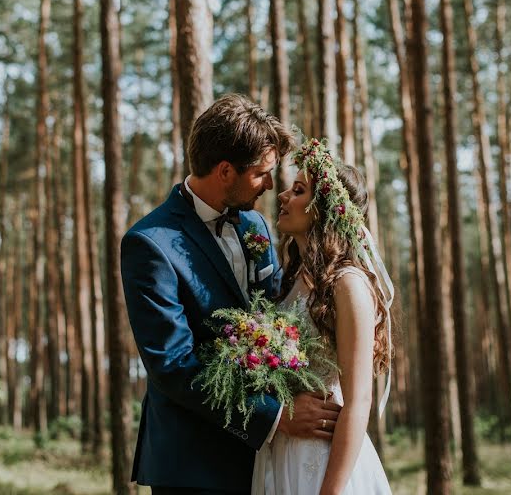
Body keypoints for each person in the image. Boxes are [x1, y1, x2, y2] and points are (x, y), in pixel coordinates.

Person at [121, 96, 342, 494]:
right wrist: (277, 417)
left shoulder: (254, 224)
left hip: (265, 462)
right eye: (262, 173)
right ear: (225, 170)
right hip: (193, 464)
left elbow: (275, 316)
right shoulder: (150, 245)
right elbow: (173, 365)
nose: (271, 185)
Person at [252, 136, 394, 495]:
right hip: (281, 451)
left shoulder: (349, 285)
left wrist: (330, 491)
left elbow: (359, 399)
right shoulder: (291, 281)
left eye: (298, 190)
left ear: (322, 208)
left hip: (325, 460)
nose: (283, 197)